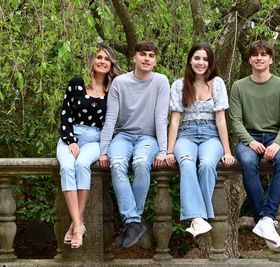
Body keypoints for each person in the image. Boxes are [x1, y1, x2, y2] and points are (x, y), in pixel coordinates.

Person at [99, 41, 170, 249]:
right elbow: (110, 119)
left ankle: (132, 221)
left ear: (155, 61)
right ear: (134, 57)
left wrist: (164, 150)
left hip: (148, 138)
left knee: (140, 163)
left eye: (151, 55)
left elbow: (160, 118)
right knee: (118, 163)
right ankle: (134, 222)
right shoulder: (120, 83)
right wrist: (104, 151)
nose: (147, 58)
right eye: (143, 54)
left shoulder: (160, 81)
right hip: (122, 136)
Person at [229, 40, 280, 249]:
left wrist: (276, 143)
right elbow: (235, 121)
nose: (259, 58)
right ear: (249, 59)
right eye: (255, 54)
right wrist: (250, 141)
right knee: (248, 162)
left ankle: (264, 219)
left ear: (271, 59)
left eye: (264, 54)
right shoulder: (239, 86)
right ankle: (265, 219)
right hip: (249, 138)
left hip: (276, 138)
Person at [165, 43, 235, 237]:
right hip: (185, 135)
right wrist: (169, 151)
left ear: (210, 62)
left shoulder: (217, 83)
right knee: (186, 163)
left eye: (205, 59)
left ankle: (198, 218)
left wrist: (227, 151)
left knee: (206, 165)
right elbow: (175, 120)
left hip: (210, 135)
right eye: (197, 58)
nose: (201, 63)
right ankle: (198, 218)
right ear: (190, 60)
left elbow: (221, 119)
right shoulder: (179, 85)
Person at [57, 44, 121, 249]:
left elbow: (111, 122)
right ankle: (78, 225)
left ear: (111, 65)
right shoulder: (77, 84)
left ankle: (76, 224)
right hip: (71, 136)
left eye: (107, 59)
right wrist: (71, 140)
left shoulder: (113, 91)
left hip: (96, 139)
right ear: (93, 61)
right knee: (67, 167)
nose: (102, 61)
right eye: (99, 57)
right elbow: (65, 114)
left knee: (82, 164)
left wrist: (105, 147)